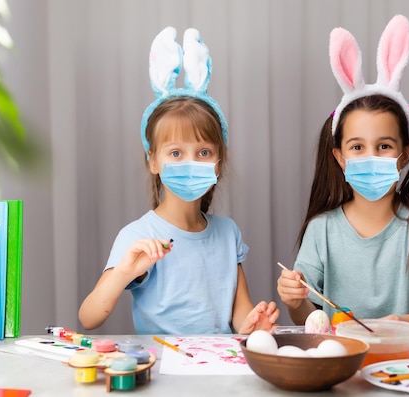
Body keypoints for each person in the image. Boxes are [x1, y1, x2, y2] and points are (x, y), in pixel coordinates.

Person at [78, 27, 279, 335]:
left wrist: (254, 324)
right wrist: (124, 272)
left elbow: (239, 316)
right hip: (164, 374)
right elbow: (89, 318)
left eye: (203, 152)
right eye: (175, 152)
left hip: (219, 371)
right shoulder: (138, 236)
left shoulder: (228, 233)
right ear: (153, 161)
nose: (190, 163)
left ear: (218, 163)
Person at [276, 15, 409, 338]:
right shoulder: (321, 230)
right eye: (357, 147)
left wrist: (400, 326)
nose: (370, 157)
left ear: (405, 154)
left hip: (407, 363)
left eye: (384, 146)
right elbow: (308, 320)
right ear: (339, 157)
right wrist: (295, 301)